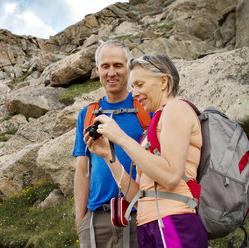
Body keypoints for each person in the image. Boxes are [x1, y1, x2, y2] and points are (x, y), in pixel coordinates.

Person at [86, 54, 208, 247]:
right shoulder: (154, 125)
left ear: (163, 81)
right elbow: (137, 196)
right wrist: (109, 157)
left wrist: (121, 137)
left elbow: (170, 176)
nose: (134, 93)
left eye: (140, 85)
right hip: (149, 225)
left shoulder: (177, 109)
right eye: (133, 87)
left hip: (173, 221)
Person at [73, 40, 150, 248]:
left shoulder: (146, 109)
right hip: (96, 220)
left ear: (128, 67)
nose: (111, 72)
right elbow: (82, 171)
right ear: (97, 70)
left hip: (139, 214)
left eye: (118, 65)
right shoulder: (87, 114)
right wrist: (80, 219)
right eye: (105, 66)